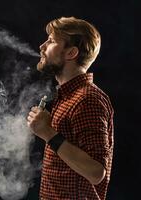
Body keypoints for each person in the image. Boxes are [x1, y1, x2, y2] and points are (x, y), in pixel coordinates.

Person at [27, 17, 114, 200]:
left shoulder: (87, 99)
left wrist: (48, 133)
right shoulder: (68, 96)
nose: (42, 47)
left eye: (51, 41)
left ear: (71, 53)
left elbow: (96, 172)